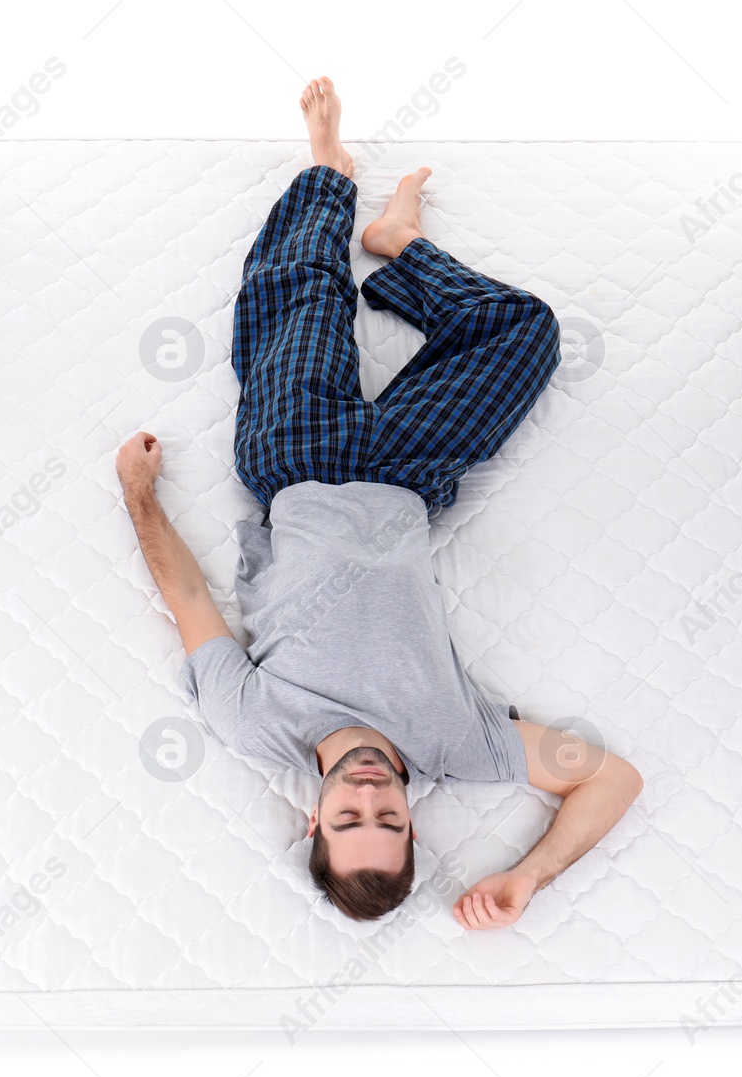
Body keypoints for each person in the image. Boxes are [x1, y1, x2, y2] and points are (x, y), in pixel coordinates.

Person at [117, 77, 641, 927]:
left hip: (299, 462)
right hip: (411, 476)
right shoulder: (456, 746)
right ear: (413, 819)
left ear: (311, 818)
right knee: (527, 332)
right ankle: (400, 244)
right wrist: (529, 877)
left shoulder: (255, 726)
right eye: (388, 819)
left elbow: (186, 599)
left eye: (348, 819)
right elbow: (610, 777)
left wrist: (138, 494)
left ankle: (330, 169)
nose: (367, 795)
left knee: (300, 300)